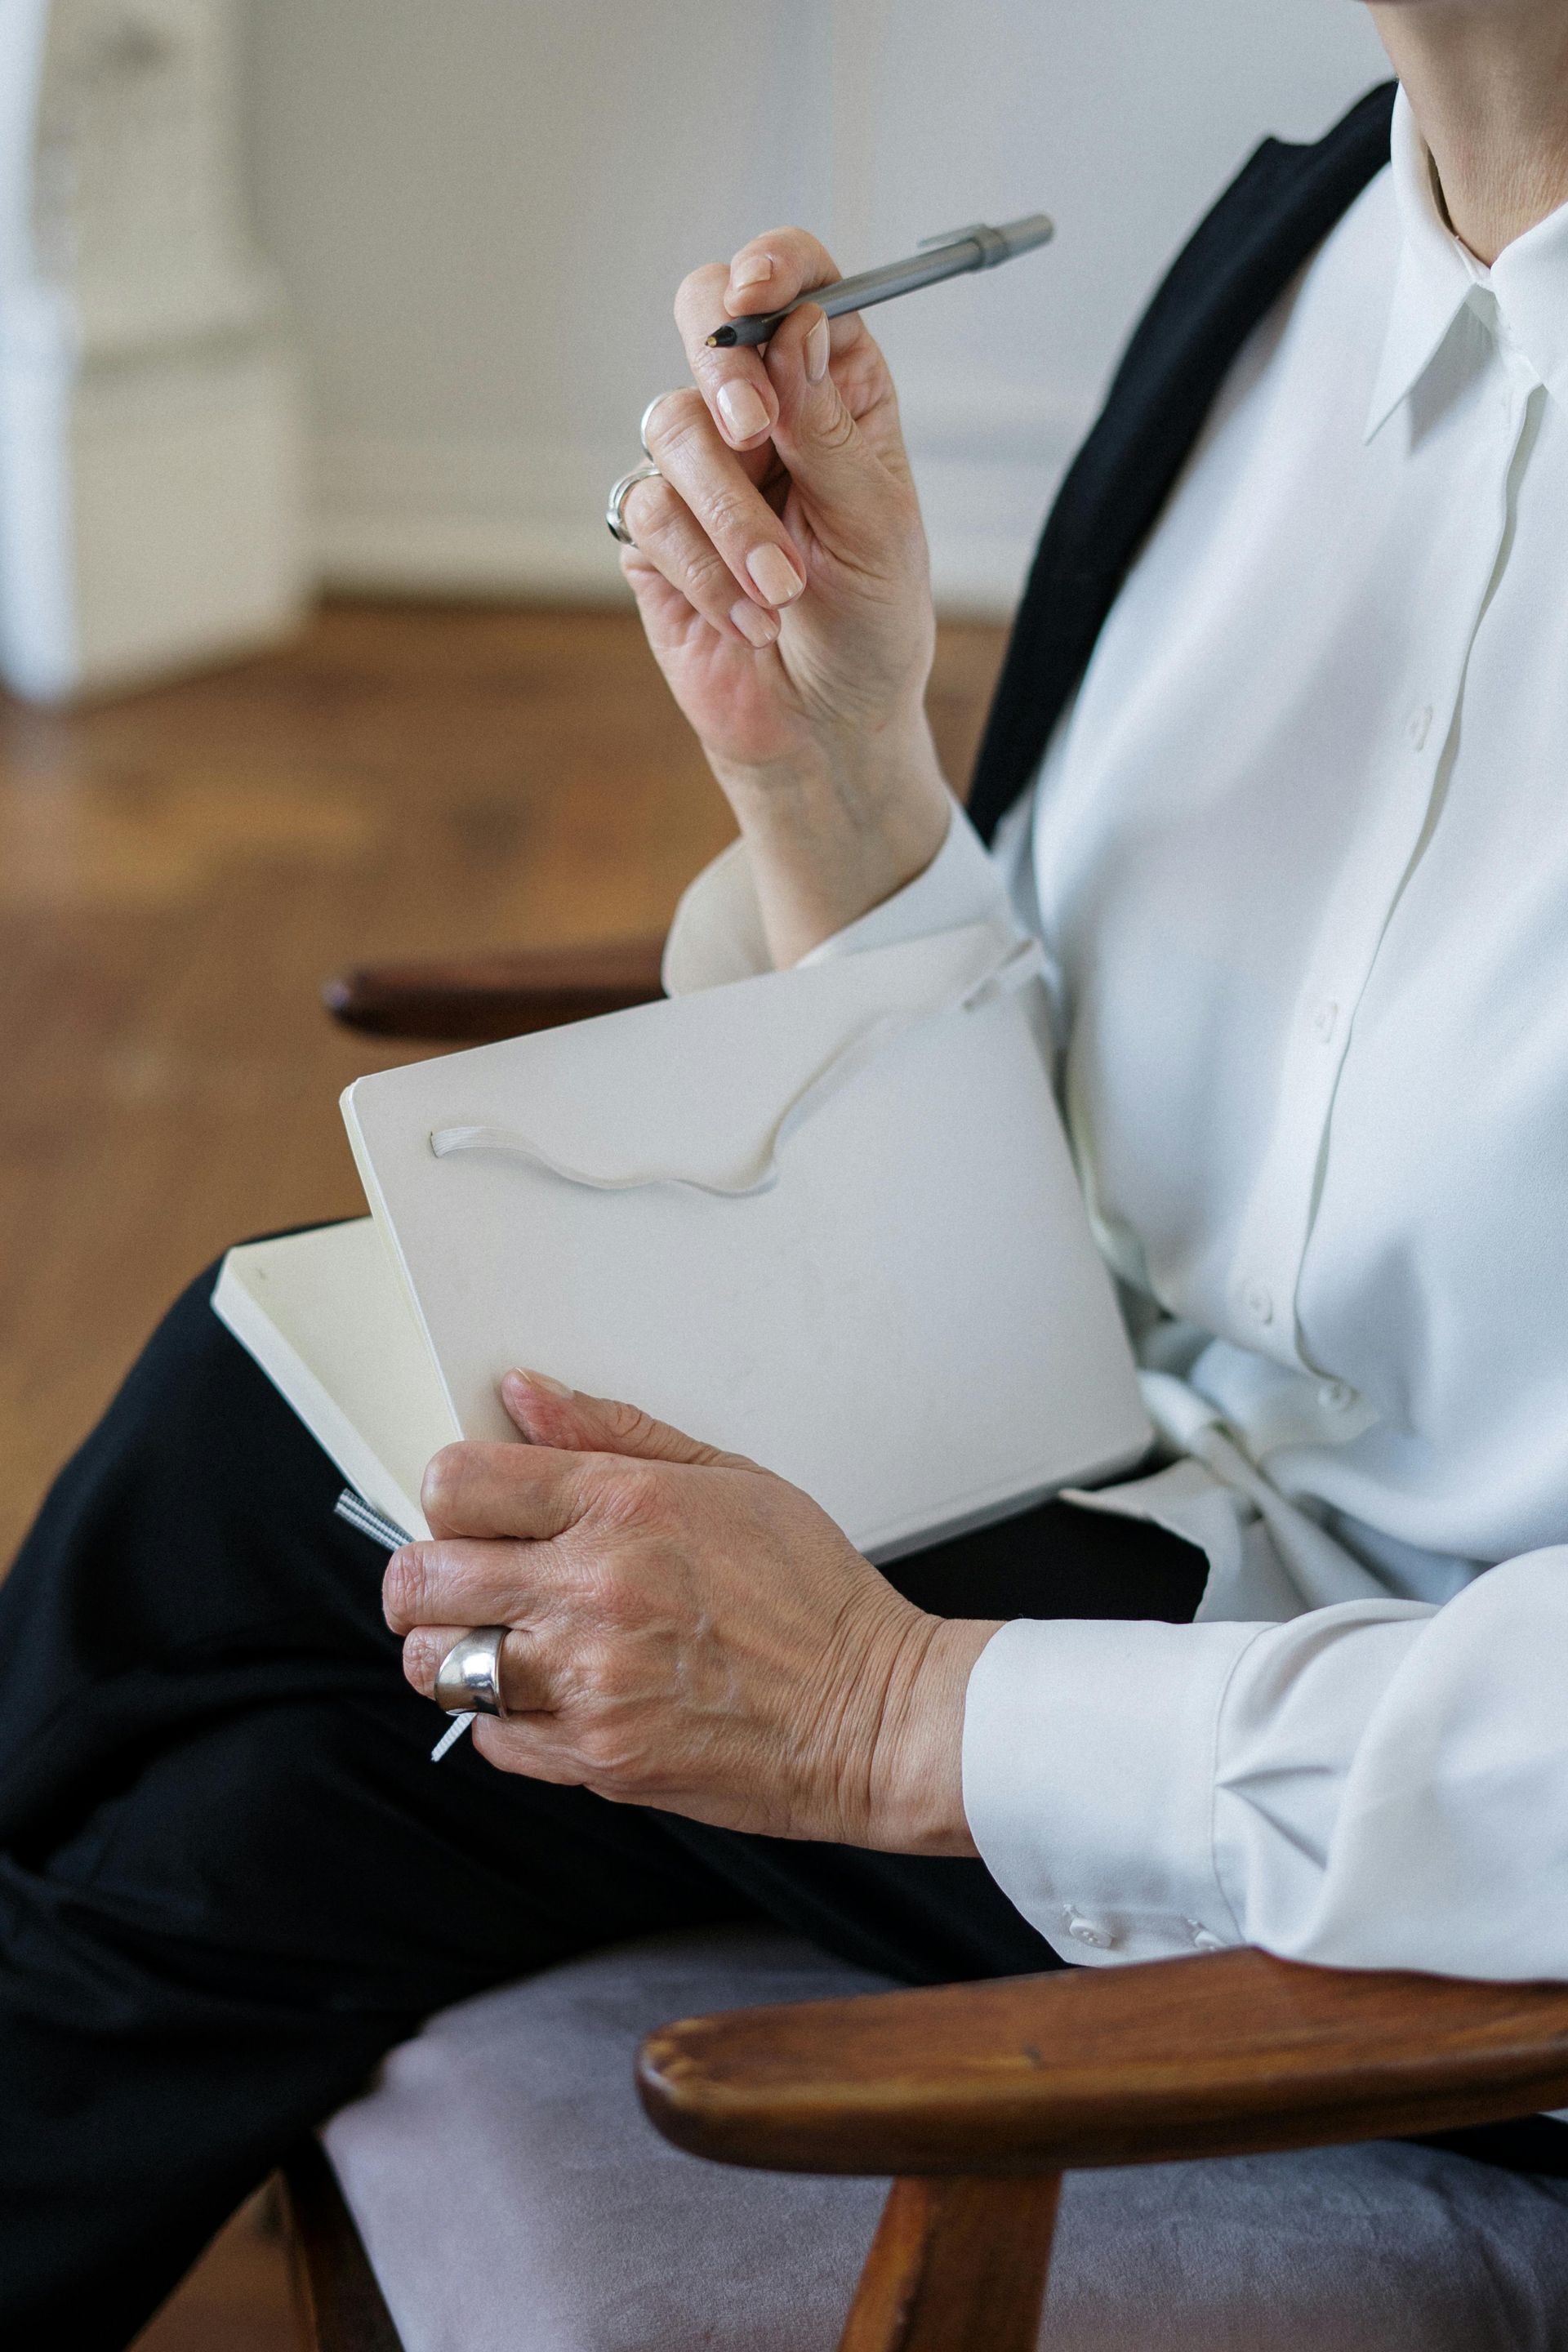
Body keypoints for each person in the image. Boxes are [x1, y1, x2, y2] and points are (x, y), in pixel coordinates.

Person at [5, 2, 1568, 2341]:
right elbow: (1147, 1187)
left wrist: (886, 1713)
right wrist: (834, 772)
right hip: (1146, 1535)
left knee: (292, 1667)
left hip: (1418, 1789)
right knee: (279, 1521)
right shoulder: (1317, 251)